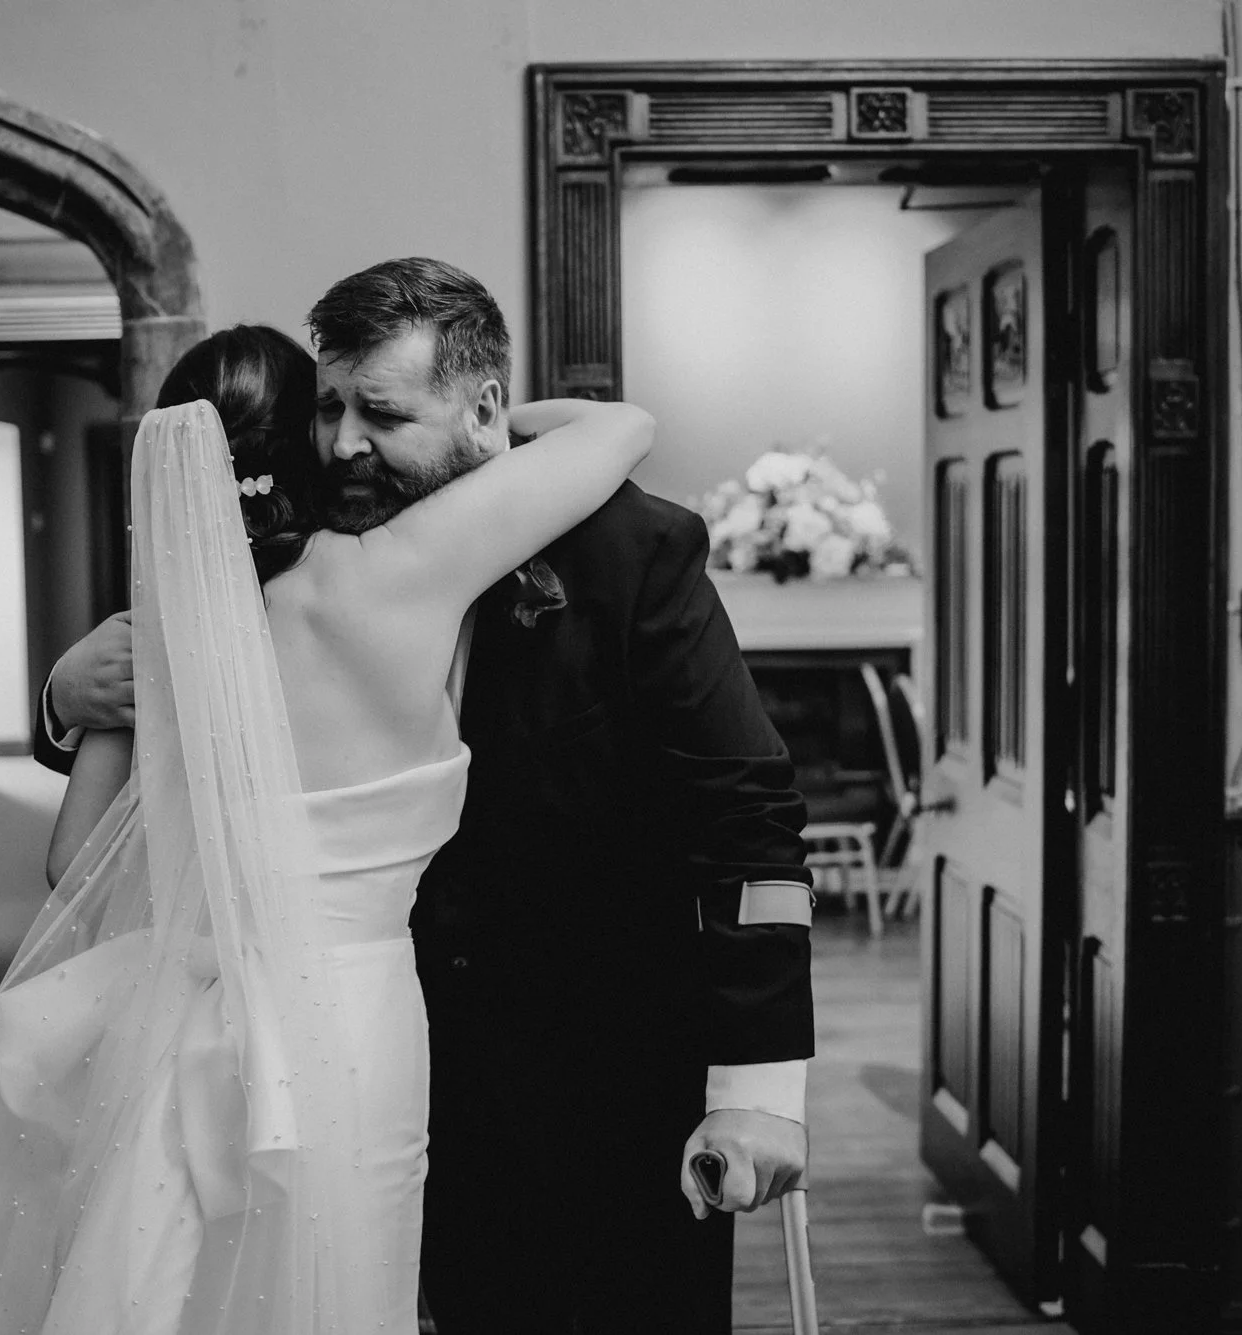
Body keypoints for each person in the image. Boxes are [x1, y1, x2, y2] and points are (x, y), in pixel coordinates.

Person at [40, 258, 815, 1333]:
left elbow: (748, 817)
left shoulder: (626, 549)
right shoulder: (301, 554)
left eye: (381, 412)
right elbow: (188, 765)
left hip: (592, 1082)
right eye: (329, 408)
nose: (343, 443)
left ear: (485, 405)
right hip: (362, 1075)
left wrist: (757, 1091)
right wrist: (63, 699)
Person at [0, 319, 654, 1333]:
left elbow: (73, 864)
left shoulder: (157, 635)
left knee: (196, 1289)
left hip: (186, 1024)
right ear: (313, 447)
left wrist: (67, 692)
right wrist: (465, 419)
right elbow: (617, 427)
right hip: (352, 1018)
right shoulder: (397, 574)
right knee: (347, 1280)